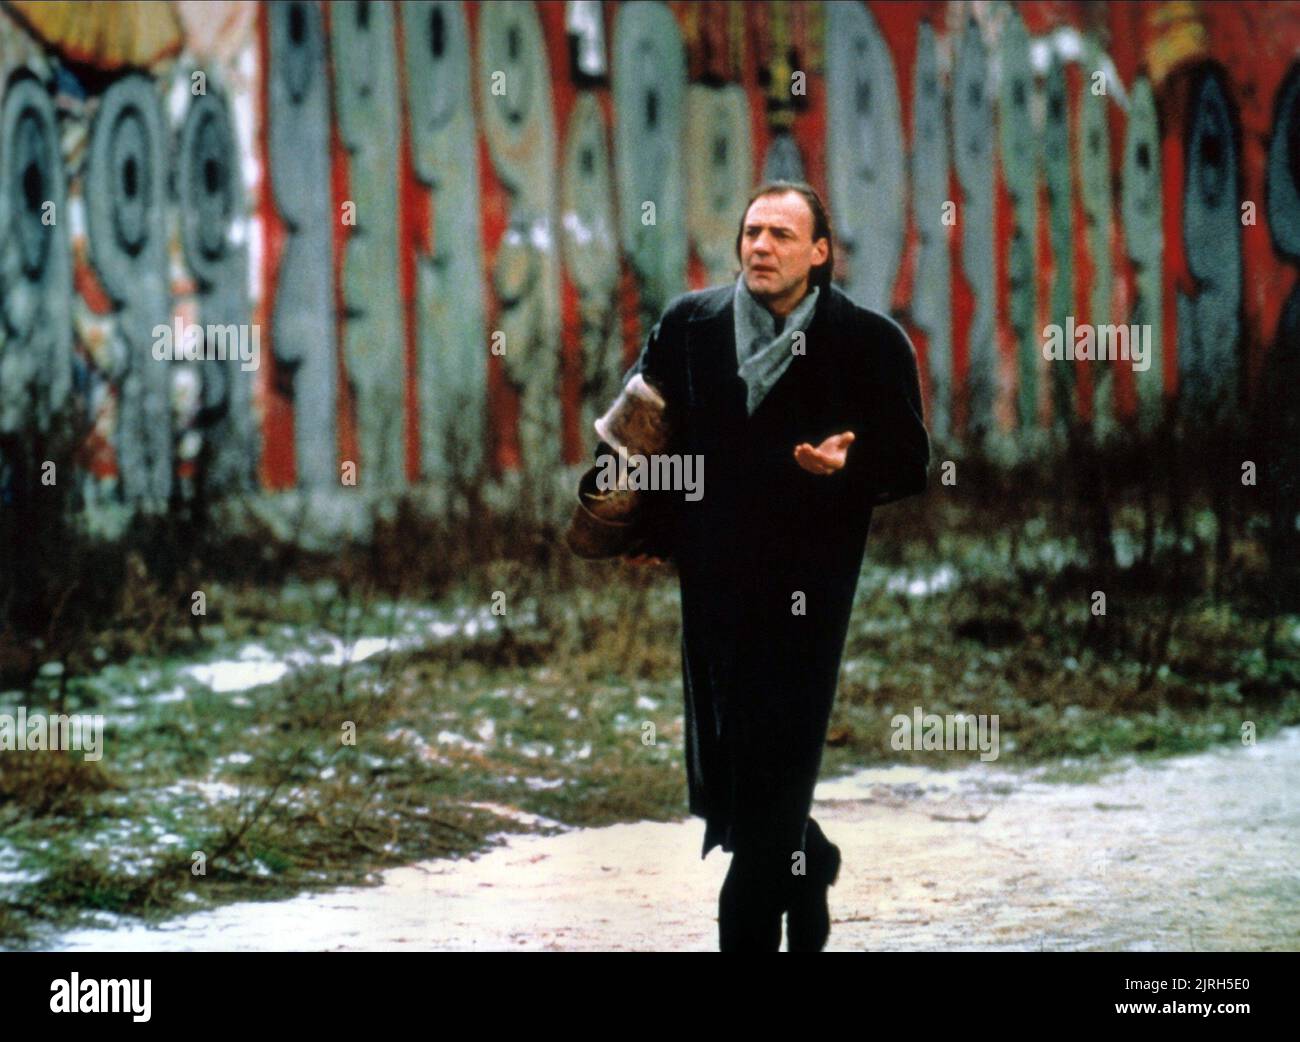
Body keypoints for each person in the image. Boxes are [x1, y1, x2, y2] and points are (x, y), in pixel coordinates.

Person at [610, 180, 930, 951]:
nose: (760, 246)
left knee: (781, 749)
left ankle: (762, 895)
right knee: (730, 756)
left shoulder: (869, 342)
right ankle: (809, 857)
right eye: (752, 231)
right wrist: (645, 517)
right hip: (714, 570)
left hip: (810, 582)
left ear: (820, 253)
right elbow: (644, 432)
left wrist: (847, 465)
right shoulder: (690, 326)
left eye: (782, 235)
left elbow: (911, 460)